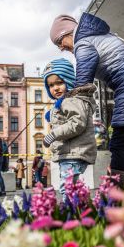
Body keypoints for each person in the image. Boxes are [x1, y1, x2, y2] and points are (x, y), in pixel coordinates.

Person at [49, 13, 124, 186]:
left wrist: (70, 102)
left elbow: (83, 80)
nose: (61, 48)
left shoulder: (83, 43)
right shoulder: (100, 35)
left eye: (59, 42)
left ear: (67, 33)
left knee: (118, 144)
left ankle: (116, 190)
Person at [41, 58, 97, 201]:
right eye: (51, 85)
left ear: (69, 80)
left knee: (67, 188)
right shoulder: (66, 101)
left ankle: (70, 215)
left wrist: (54, 134)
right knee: (73, 187)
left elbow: (77, 123)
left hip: (73, 152)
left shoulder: (71, 100)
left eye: (60, 82)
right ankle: (82, 210)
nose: (55, 88)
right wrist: (53, 115)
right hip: (69, 152)